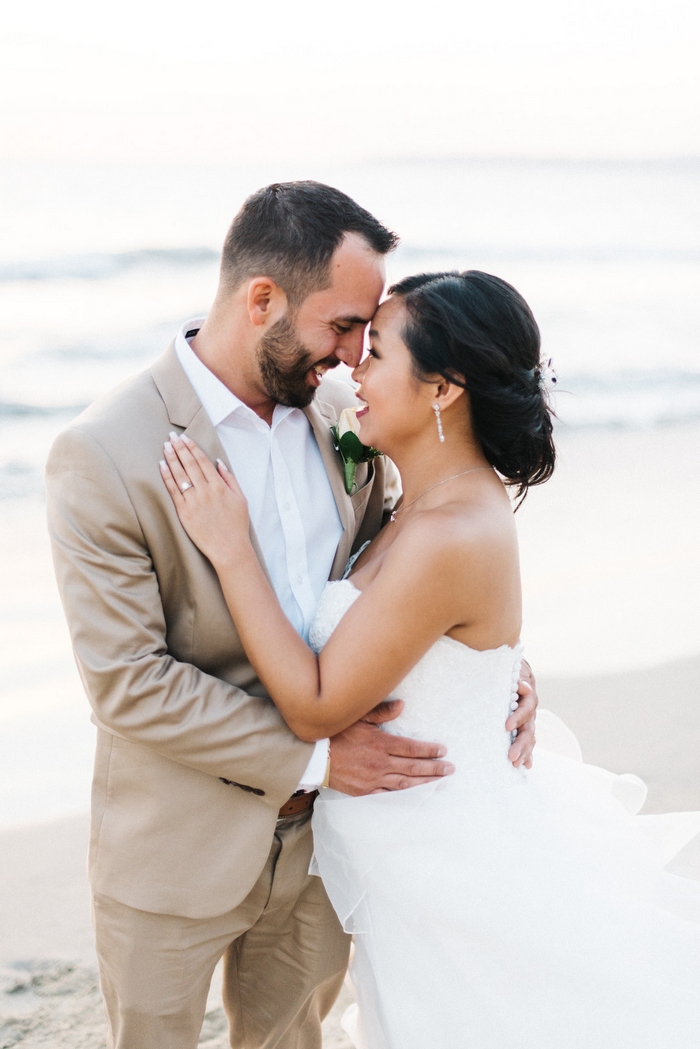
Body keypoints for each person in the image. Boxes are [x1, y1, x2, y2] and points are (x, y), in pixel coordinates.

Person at [45, 183, 538, 1049]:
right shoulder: (105, 453)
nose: (354, 355)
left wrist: (495, 670)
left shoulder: (351, 424)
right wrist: (313, 756)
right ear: (262, 298)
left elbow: (418, 574)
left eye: (368, 336)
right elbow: (128, 684)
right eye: (344, 325)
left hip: (330, 849)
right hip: (178, 842)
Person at [161, 269, 700, 1049]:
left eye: (376, 353)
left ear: (444, 390)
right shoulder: (418, 496)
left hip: (455, 864)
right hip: (413, 864)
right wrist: (496, 671)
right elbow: (440, 639)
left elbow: (316, 708)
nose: (355, 370)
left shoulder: (453, 531)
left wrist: (230, 548)